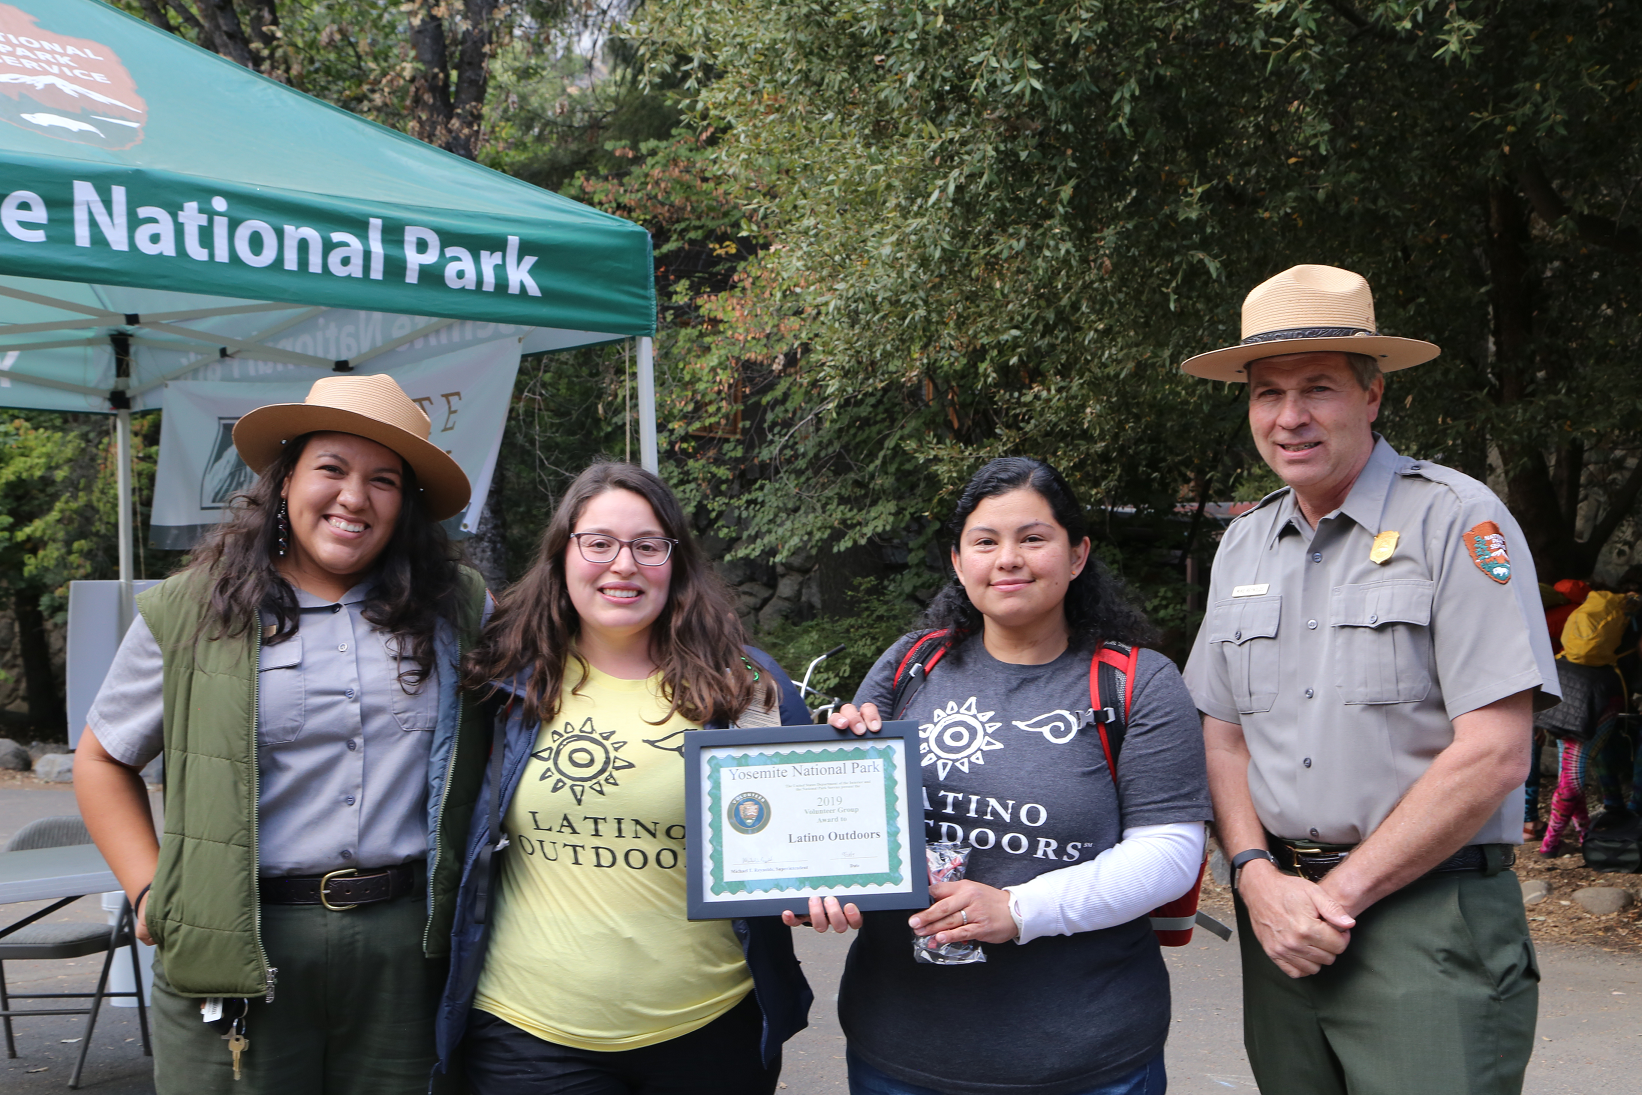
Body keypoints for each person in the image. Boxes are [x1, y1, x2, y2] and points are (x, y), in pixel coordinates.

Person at [1179, 264, 1560, 1095]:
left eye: (1318, 388)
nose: (1290, 417)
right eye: (1266, 393)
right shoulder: (1243, 545)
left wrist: (1335, 895)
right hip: (1279, 920)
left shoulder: (1459, 521)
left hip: (1427, 924)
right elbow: (1225, 730)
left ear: (1373, 396)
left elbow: (1495, 753)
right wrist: (1253, 874)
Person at [73, 374, 490, 1094]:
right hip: (240, 939)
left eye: (383, 480)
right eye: (331, 467)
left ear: (408, 504)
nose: (354, 497)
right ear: (286, 478)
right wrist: (148, 894)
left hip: (408, 943)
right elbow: (102, 757)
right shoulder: (192, 609)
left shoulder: (457, 610)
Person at [827, 457, 1212, 1095]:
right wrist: (823, 846)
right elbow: (854, 831)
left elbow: (1170, 853)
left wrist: (1018, 910)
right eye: (985, 541)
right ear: (957, 561)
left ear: (1078, 554)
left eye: (1033, 538)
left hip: (1085, 1056)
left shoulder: (1137, 682)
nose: (1008, 558)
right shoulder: (910, 665)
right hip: (902, 1047)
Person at [435, 462, 818, 1095]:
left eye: (647, 545)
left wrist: (855, 746)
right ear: (563, 554)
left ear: (676, 559)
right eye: (599, 543)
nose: (623, 565)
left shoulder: (746, 685)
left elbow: (811, 835)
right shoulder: (506, 674)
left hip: (709, 1028)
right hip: (529, 1035)